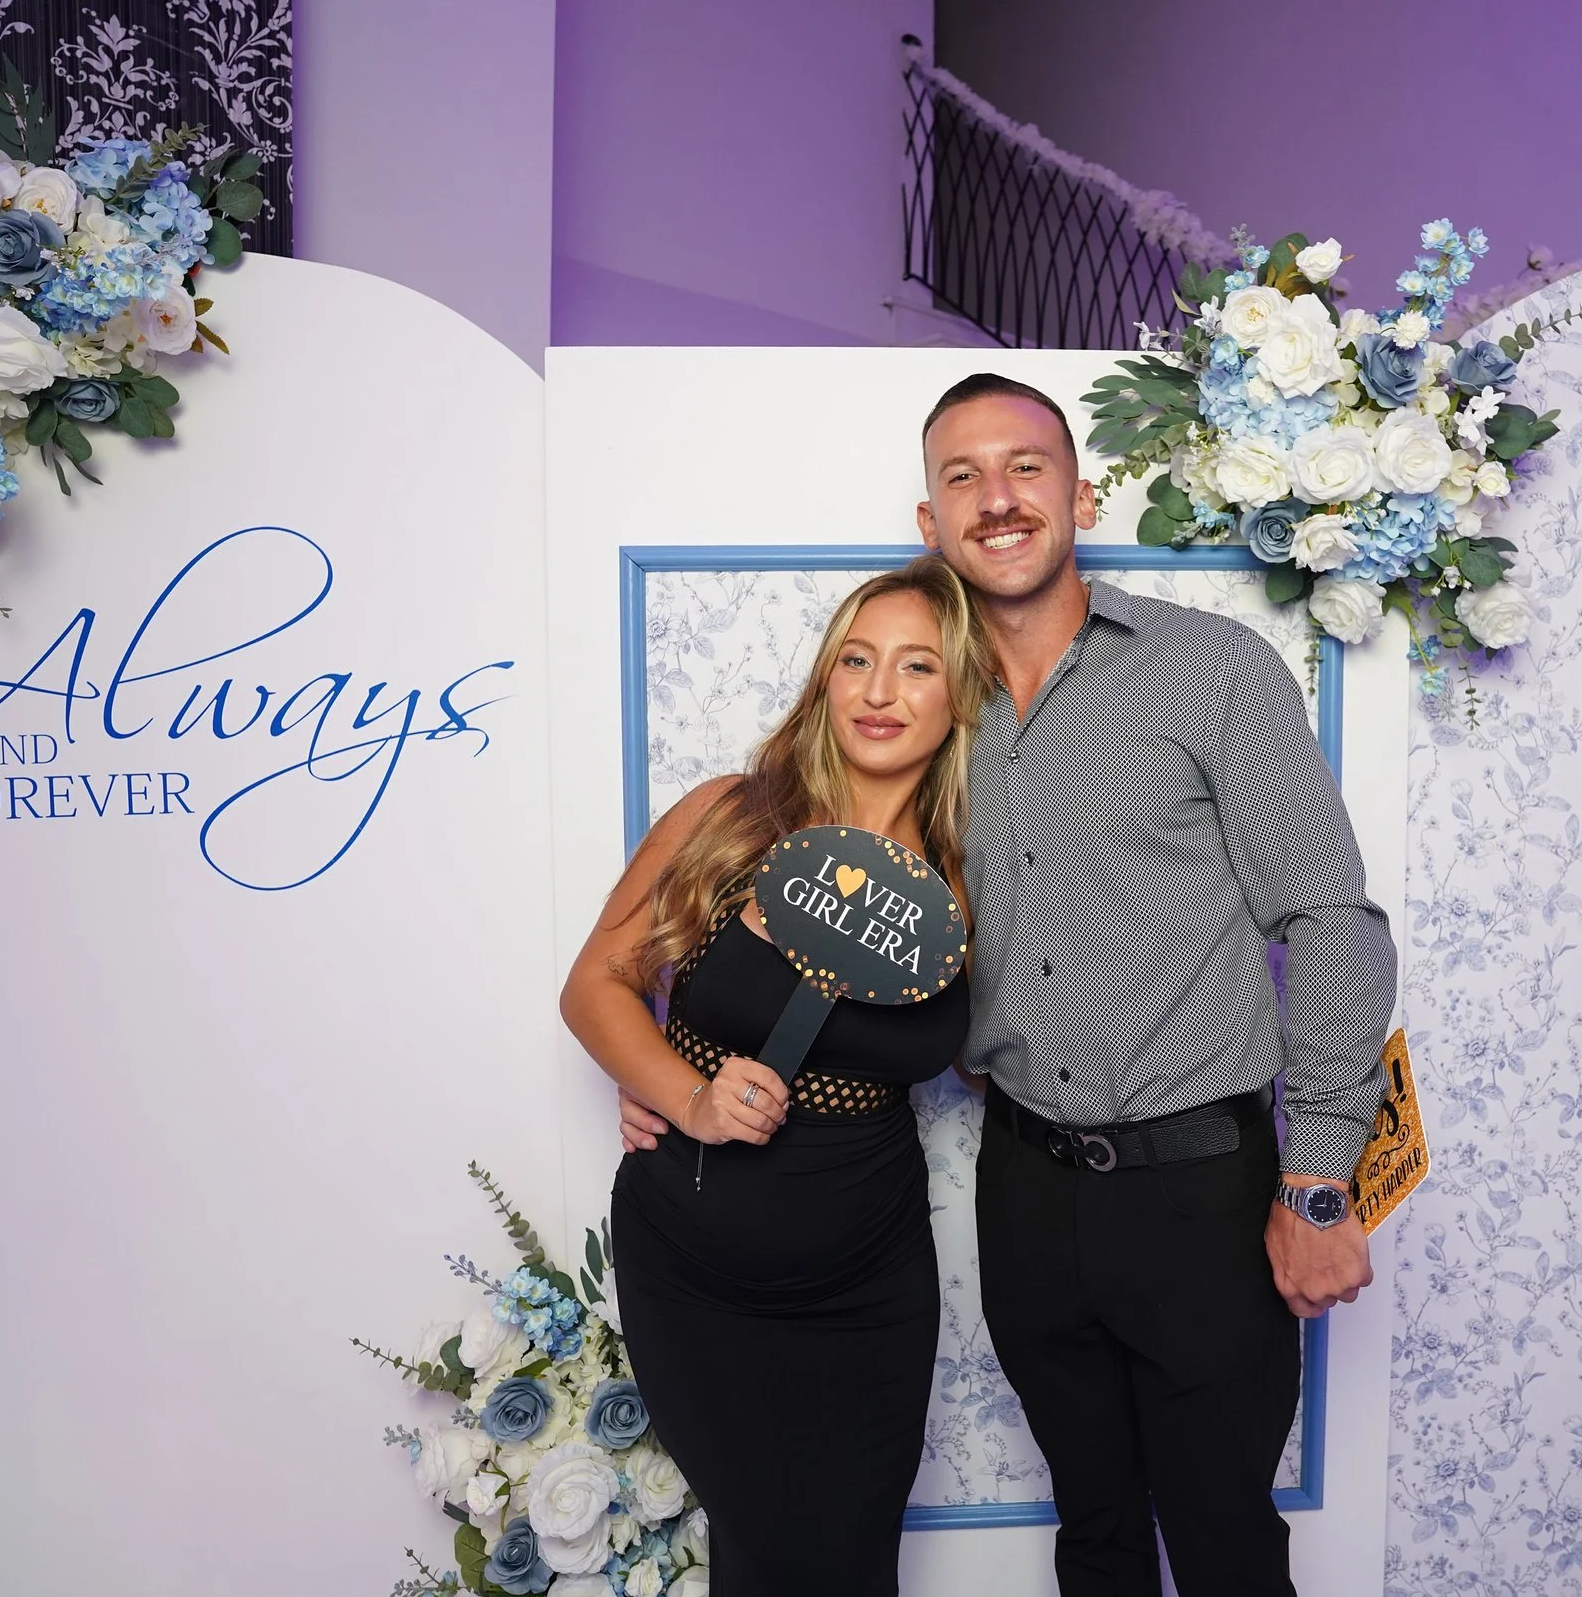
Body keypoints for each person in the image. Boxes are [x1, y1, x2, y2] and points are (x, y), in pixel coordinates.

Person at [623, 374, 1396, 1596]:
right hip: (1026, 1186)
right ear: (928, 520)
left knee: (1224, 1540)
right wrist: (674, 1068)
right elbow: (836, 914)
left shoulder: (1209, 671)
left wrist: (1318, 1178)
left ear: (1080, 495)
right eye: (963, 475)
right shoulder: (920, 711)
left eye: (1026, 466)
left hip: (1201, 1183)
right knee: (1091, 1529)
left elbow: (1331, 919)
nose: (997, 497)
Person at [561, 559, 995, 1597]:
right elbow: (594, 985)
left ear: (960, 695)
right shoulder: (729, 815)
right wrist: (682, 1090)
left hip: (870, 1285)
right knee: (765, 1554)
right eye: (856, 659)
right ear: (824, 678)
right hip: (697, 1271)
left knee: (854, 1562)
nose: (879, 691)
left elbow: (998, 1057)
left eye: (917, 666)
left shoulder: (970, 872)